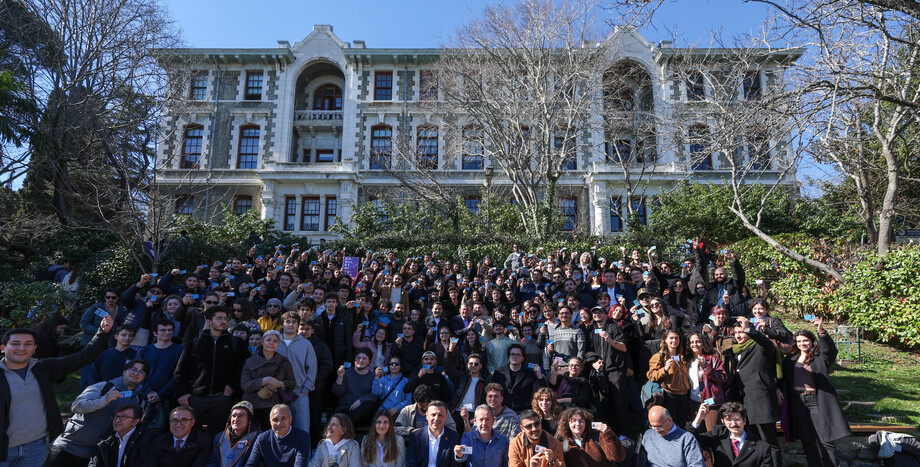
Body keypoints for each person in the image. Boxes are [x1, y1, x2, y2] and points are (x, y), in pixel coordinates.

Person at [0, 315, 112, 467]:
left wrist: (102, 333)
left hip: (35, 448)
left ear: (34, 349)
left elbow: (82, 358)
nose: (22, 348)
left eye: (28, 344)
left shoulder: (43, 368)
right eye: (15, 343)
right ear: (3, 348)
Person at [46, 359, 150, 467]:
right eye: (133, 369)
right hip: (68, 446)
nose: (136, 373)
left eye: (141, 372)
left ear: (144, 377)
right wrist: (104, 400)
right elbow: (77, 406)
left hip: (96, 455)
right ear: (124, 372)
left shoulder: (139, 400)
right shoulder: (103, 387)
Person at [781, 318, 851, 467]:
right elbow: (784, 379)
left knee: (826, 440)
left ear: (812, 341)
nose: (802, 344)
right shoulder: (791, 359)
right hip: (798, 402)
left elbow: (830, 350)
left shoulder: (820, 358)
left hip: (817, 401)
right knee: (807, 440)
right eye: (799, 341)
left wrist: (821, 331)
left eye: (805, 341)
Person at [173, 306, 251, 437]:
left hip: (222, 398)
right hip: (196, 398)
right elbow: (181, 370)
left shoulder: (236, 343)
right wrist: (182, 393)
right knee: (192, 435)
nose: (223, 321)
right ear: (208, 321)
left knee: (218, 435)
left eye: (225, 318)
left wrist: (232, 384)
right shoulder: (195, 343)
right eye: (219, 318)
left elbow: (244, 368)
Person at [728, 316, 782, 467]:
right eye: (736, 332)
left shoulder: (760, 347)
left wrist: (749, 329)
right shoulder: (735, 350)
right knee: (753, 443)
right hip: (744, 405)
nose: (738, 335)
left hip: (761, 403)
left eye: (742, 332)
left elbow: (768, 345)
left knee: (769, 442)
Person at [689, 402, 776, 467]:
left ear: (744, 421)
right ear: (723, 421)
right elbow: (690, 441)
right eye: (729, 420)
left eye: (737, 419)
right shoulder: (717, 434)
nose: (733, 424)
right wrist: (698, 420)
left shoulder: (762, 447)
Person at [241, 330, 296, 429]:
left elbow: (292, 383)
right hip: (254, 406)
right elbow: (245, 385)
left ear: (278, 344)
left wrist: (279, 383)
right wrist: (265, 380)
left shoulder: (284, 361)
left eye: (275, 341)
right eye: (268, 340)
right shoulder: (250, 361)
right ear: (262, 342)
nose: (271, 343)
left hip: (275, 406)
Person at [137, 320, 184, 431]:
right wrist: (149, 391)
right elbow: (138, 373)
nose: (167, 332)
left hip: (169, 399)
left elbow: (179, 375)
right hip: (145, 398)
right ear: (155, 333)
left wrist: (161, 394)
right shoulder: (144, 350)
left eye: (170, 330)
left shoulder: (180, 350)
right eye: (163, 330)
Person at [277, 312, 318, 437]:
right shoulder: (274, 341)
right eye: (287, 321)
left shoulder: (306, 344)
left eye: (294, 322)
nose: (291, 324)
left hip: (299, 392)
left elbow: (312, 368)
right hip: (277, 391)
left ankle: (303, 456)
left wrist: (306, 389)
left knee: (302, 430)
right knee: (279, 429)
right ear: (282, 324)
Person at [79, 290, 125, 388]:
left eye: (113, 297)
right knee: (88, 371)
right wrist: (100, 331)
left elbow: (121, 326)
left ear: (118, 298)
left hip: (110, 345)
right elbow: (84, 323)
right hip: (92, 343)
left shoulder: (121, 311)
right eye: (108, 297)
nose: (110, 300)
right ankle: (83, 397)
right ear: (104, 297)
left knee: (105, 372)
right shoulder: (95, 308)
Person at [646, 329, 691, 428]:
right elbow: (651, 375)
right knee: (670, 426)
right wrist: (665, 369)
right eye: (671, 338)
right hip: (669, 395)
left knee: (682, 425)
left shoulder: (682, 356)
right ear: (665, 339)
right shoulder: (659, 356)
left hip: (683, 395)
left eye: (676, 338)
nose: (674, 341)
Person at [554, 407, 625, 467]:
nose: (578, 424)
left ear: (586, 423)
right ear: (567, 424)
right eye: (573, 421)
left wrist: (607, 434)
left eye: (581, 421)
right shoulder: (565, 444)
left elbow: (617, 457)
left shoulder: (597, 437)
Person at [142, 406, 212, 467]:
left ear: (192, 422)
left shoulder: (203, 441)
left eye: (184, 420)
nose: (178, 425)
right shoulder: (158, 442)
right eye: (174, 420)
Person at [637, 405, 704, 467]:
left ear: (670, 420)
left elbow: (697, 464)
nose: (656, 430)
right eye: (652, 426)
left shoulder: (686, 439)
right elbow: (641, 463)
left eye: (659, 427)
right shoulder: (648, 435)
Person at [245, 405, 311, 467]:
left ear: (290, 420)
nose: (279, 423)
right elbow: (251, 464)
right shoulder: (262, 438)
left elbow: (300, 465)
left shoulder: (302, 437)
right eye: (275, 420)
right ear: (270, 421)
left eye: (283, 419)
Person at [685, 332, 726, 431]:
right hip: (694, 402)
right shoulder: (687, 361)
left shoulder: (713, 359)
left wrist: (705, 366)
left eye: (698, 341)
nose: (695, 344)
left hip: (711, 403)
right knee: (699, 434)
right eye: (692, 342)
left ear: (703, 343)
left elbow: (722, 378)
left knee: (713, 433)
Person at [491, 344, 546, 413]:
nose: (515, 357)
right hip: (503, 411)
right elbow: (492, 392)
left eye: (518, 355)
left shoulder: (530, 373)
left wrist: (539, 376)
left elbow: (539, 392)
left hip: (523, 411)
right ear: (509, 357)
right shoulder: (499, 372)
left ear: (522, 358)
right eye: (512, 354)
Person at [406, 401, 460, 467]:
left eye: (440, 415)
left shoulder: (453, 437)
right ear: (427, 416)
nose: (436, 418)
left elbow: (455, 464)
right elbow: (411, 463)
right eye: (433, 415)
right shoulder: (416, 436)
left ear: (446, 417)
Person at [206, 401, 260, 467]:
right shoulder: (219, 437)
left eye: (241, 416)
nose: (236, 419)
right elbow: (212, 461)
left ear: (249, 419)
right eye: (233, 416)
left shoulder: (258, 438)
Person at [332, 349, 378, 426]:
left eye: (364, 358)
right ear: (354, 360)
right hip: (346, 409)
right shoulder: (346, 373)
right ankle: (344, 425)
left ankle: (344, 426)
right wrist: (340, 377)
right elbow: (337, 392)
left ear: (369, 361)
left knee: (370, 405)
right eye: (358, 358)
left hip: (363, 411)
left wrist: (360, 400)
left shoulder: (372, 376)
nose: (360, 360)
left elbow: (375, 394)